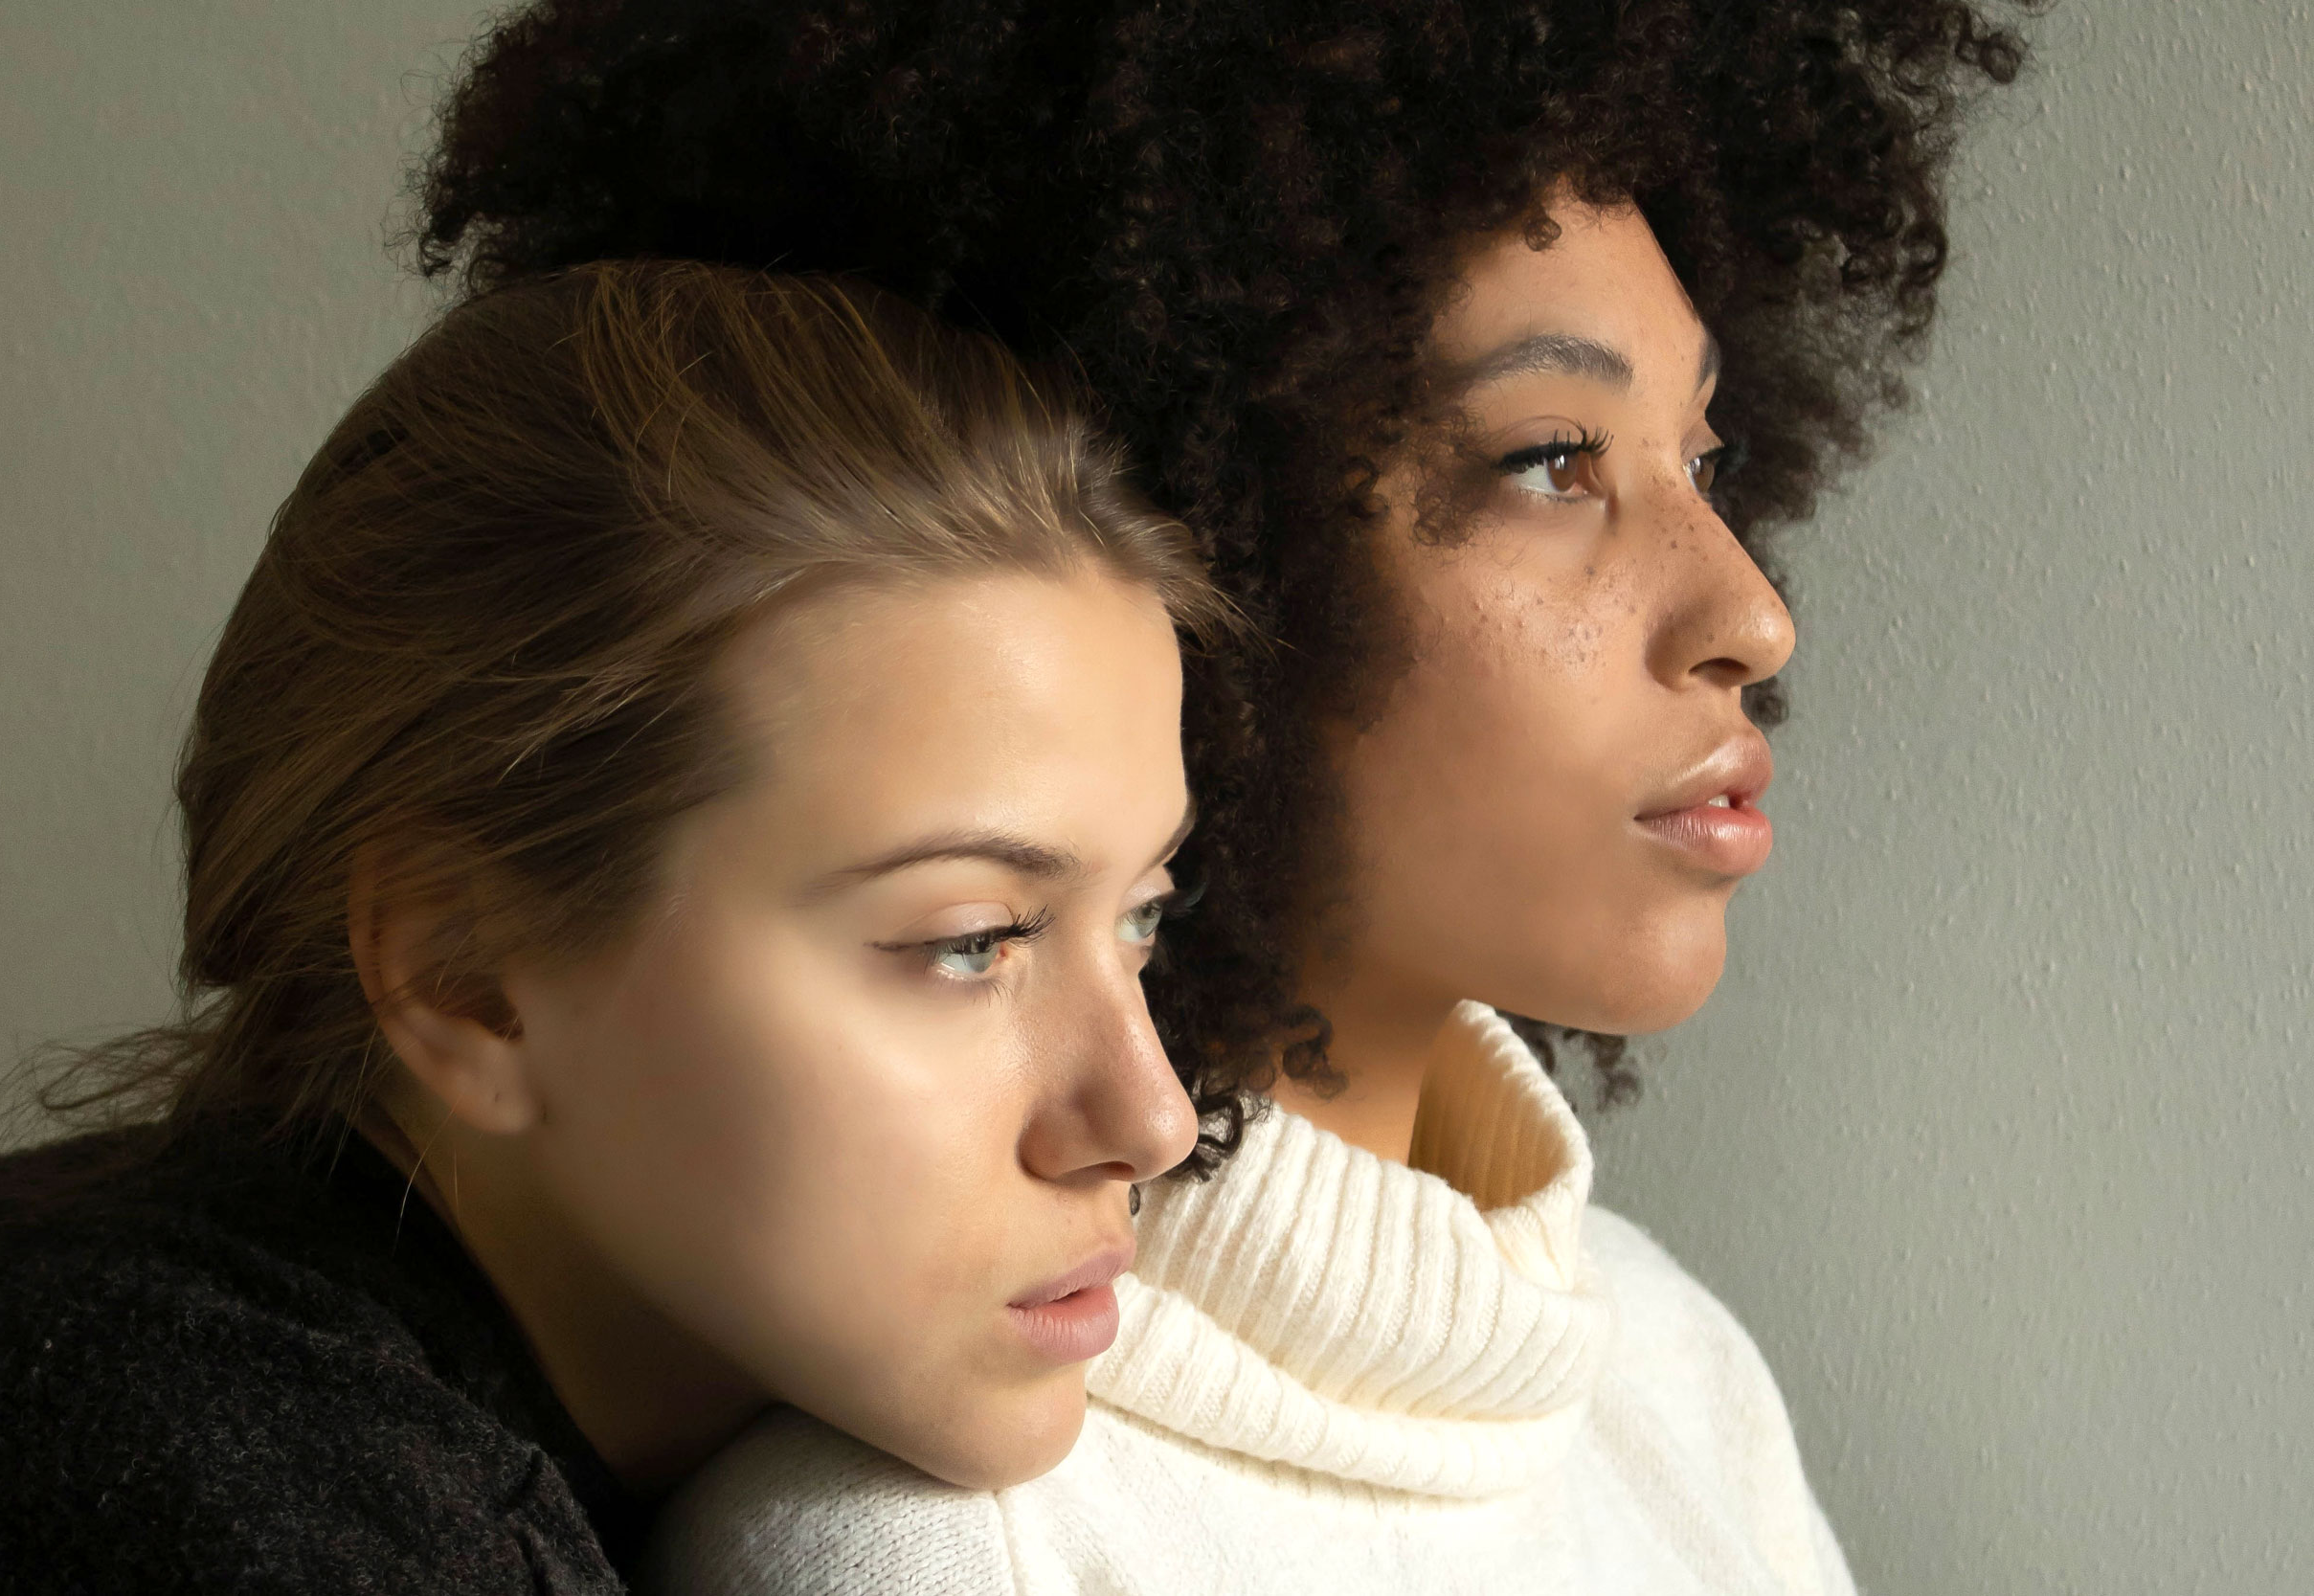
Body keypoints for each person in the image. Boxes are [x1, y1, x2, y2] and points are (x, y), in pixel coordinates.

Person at [410, 3, 2038, 1592]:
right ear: (1186, 516)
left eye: (1708, 454)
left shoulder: (1677, 1369)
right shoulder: (946, 1543)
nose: (1752, 615)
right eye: (1554, 459)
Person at [0, 259, 1236, 1592]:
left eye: (1141, 917)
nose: (1152, 1118)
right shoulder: (207, 1487)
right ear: (465, 978)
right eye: (974, 940)